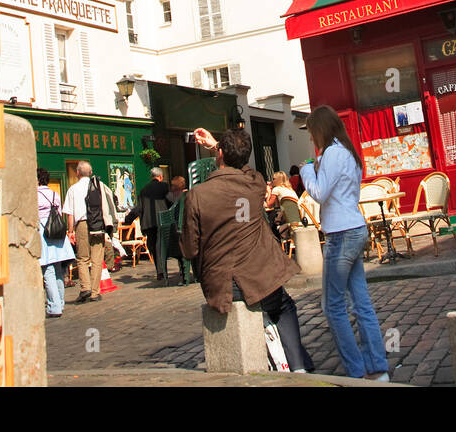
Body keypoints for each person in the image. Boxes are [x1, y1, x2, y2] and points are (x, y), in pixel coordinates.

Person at [183, 127, 314, 373]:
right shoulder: (252, 185)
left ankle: (290, 364)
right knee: (284, 306)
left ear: (220, 155)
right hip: (259, 277)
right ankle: (298, 367)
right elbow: (249, 170)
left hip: (221, 285)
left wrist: (217, 150)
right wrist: (219, 148)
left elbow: (190, 248)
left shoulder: (197, 195)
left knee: (276, 301)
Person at [300, 106, 391, 380]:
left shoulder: (331, 153)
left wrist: (306, 171)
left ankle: (355, 371)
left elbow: (318, 192)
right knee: (361, 302)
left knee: (333, 306)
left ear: (320, 130)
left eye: (312, 132)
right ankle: (377, 367)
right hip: (355, 227)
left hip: (340, 234)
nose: (311, 139)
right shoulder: (349, 152)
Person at [62, 161, 119, 303]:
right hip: (98, 224)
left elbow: (70, 214)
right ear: (91, 172)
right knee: (97, 258)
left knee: (82, 258)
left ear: (77, 173)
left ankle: (85, 288)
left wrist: (70, 231)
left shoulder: (73, 189)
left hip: (81, 224)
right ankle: (95, 292)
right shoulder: (99, 186)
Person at [37, 168, 74, 317]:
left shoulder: (35, 195)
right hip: (57, 233)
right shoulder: (55, 194)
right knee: (59, 270)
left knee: (48, 271)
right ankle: (61, 302)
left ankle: (54, 306)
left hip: (44, 232)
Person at [124, 167, 170, 279]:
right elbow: (171, 201)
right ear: (160, 177)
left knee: (154, 246)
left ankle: (160, 271)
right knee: (162, 245)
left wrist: (128, 219)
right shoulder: (165, 187)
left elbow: (138, 208)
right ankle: (162, 270)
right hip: (163, 221)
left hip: (149, 223)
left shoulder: (144, 190)